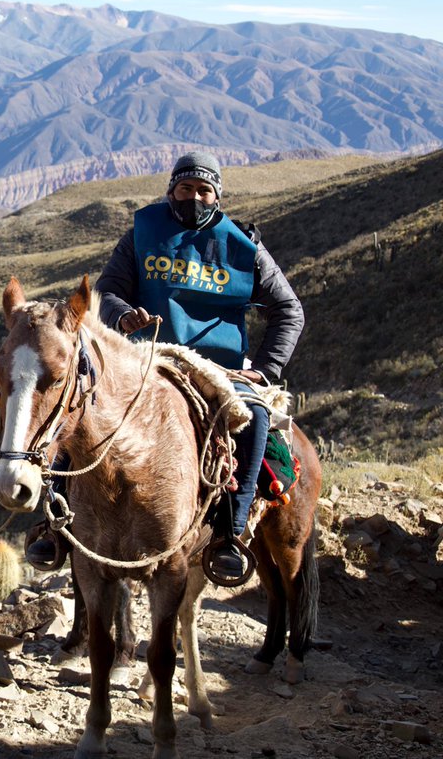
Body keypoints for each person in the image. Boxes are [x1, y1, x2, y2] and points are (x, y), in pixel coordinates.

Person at [89, 150, 304, 579]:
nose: (194, 197)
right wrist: (122, 315)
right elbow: (107, 291)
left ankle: (230, 532)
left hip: (219, 367)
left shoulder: (245, 247)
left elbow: (289, 311)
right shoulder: (141, 234)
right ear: (171, 190)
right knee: (83, 403)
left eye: (204, 190)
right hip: (148, 357)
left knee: (255, 415)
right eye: (185, 188)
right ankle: (56, 521)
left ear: (217, 197)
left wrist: (262, 371)